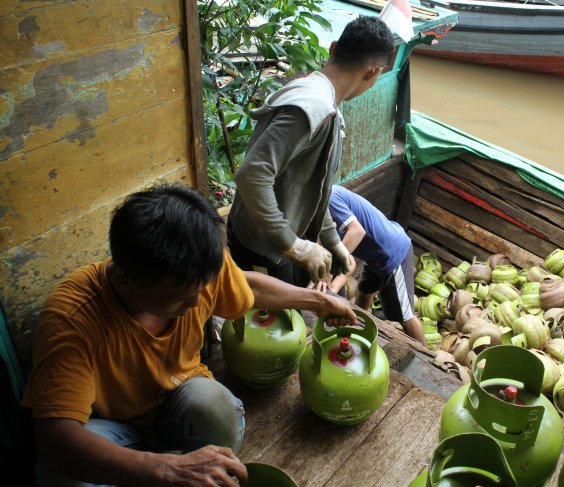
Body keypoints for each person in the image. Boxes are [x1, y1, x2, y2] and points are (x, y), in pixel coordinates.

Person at [22, 183, 356, 487]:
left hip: (178, 401)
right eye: (180, 298)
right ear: (126, 281)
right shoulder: (72, 317)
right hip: (113, 428)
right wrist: (166, 469)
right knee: (61, 478)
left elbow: (247, 286)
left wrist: (319, 299)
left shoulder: (198, 264)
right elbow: (55, 439)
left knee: (216, 409)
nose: (198, 303)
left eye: (202, 289)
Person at [226, 16, 395, 288]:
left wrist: (331, 239)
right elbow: (252, 175)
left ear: (333, 48)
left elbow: (312, 188)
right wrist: (295, 246)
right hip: (263, 247)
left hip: (276, 242)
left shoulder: (323, 101)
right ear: (374, 72)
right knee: (269, 327)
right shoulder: (311, 109)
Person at [321, 185, 426, 345]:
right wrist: (329, 285)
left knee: (404, 315)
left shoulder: (330, 197)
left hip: (392, 252)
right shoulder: (321, 212)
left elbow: (357, 232)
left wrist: (330, 286)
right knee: (363, 294)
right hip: (374, 256)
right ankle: (356, 335)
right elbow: (348, 261)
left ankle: (428, 358)